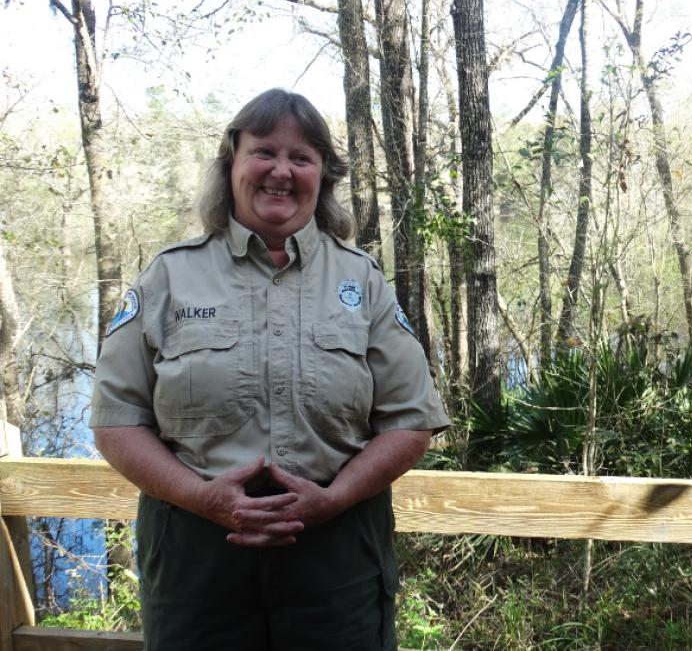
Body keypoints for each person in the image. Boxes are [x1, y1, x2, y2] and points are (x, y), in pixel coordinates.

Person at [90, 88, 449, 650]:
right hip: (196, 557)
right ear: (232, 160)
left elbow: (412, 420)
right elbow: (116, 421)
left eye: (301, 158)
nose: (281, 171)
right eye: (264, 152)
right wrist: (202, 497)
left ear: (322, 176)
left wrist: (335, 497)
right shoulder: (167, 279)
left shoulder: (363, 281)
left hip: (337, 553)